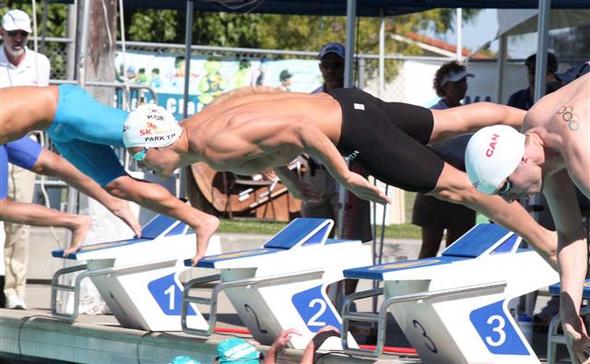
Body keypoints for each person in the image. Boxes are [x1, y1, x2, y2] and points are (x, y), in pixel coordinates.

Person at [121, 85, 559, 271]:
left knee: (463, 188)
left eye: (141, 157)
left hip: (352, 133)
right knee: (448, 121)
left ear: (157, 143)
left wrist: (344, 173)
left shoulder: (214, 146)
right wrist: (293, 185)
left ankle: (548, 244)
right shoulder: (201, 127)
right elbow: (269, 141)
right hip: (348, 104)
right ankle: (548, 122)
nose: (145, 167)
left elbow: (300, 131)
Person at [0, 85, 219, 264]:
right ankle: (200, 221)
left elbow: (46, 164)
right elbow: (48, 164)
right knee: (118, 187)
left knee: (167, 136)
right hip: (58, 130)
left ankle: (235, 137)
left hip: (67, 108)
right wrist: (114, 203)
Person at [464, 72, 590, 363]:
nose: (510, 199)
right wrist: (569, 307)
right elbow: (570, 234)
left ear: (521, 160)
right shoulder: (534, 130)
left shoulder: (576, 147)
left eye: (506, 186)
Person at [0, 137, 143, 308]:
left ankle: (75, 221)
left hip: (8, 127)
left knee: (2, 208)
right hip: (8, 127)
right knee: (51, 163)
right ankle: (114, 202)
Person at [0, 8, 51, 309]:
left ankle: (15, 288)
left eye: (23, 34)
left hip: (23, 142)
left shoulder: (39, 63)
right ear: (2, 33)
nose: (18, 38)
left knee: (19, 221)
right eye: (13, 33)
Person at [412, 61, 476, 258]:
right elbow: (420, 148)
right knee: (429, 248)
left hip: (464, 187)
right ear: (443, 86)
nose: (462, 86)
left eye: (464, 81)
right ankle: (419, 288)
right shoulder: (432, 114)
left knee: (456, 251)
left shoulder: (471, 114)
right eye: (456, 83)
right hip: (436, 187)